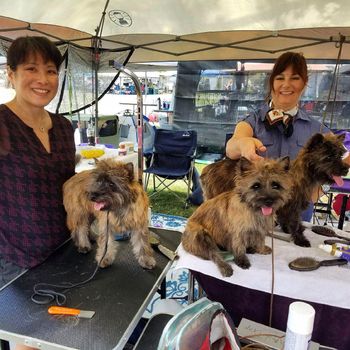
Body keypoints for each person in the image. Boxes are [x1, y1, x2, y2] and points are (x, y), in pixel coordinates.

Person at [0, 36, 76, 349]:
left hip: (64, 251)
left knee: (63, 335)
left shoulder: (64, 127)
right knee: (28, 343)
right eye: (31, 68)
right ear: (11, 73)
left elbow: (68, 185)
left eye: (51, 70)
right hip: (13, 257)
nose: (43, 79)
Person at [225, 51, 333, 222]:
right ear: (272, 82)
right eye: (280, 78)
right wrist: (244, 143)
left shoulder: (319, 130)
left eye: (295, 78)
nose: (286, 85)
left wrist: (313, 194)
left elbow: (337, 165)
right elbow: (232, 148)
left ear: (305, 83)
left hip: (295, 220)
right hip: (252, 219)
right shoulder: (252, 121)